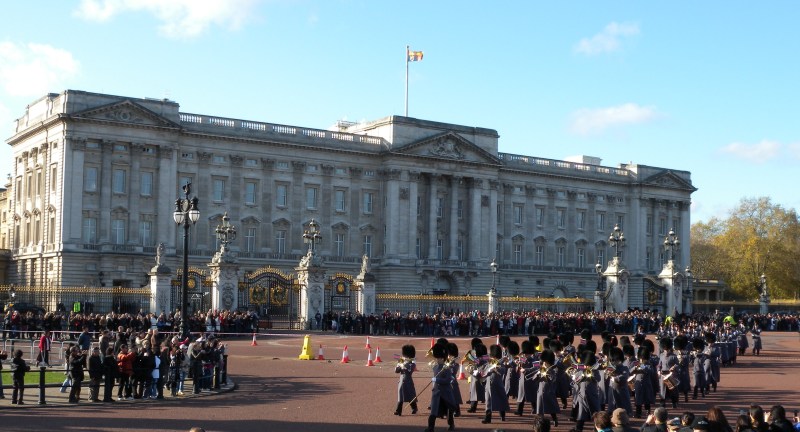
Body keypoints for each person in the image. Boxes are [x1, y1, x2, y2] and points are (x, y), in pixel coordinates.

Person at [425, 343, 456, 432]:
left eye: (438, 358)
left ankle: (451, 425)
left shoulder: (447, 368)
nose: (437, 359)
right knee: (433, 411)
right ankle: (431, 427)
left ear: (442, 358)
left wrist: (437, 380)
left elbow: (447, 380)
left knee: (449, 411)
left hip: (445, 393)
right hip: (437, 392)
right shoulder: (435, 367)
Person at [482, 344, 510, 424]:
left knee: (501, 399)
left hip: (497, 384)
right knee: (488, 401)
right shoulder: (490, 362)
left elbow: (503, 371)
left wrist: (497, 368)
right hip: (488, 384)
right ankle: (488, 418)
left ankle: (502, 415)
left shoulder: (500, 363)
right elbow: (485, 369)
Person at [393, 344, 418, 416]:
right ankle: (398, 411)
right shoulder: (402, 360)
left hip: (408, 380)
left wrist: (404, 365)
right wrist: (399, 366)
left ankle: (414, 408)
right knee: (400, 396)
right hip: (401, 380)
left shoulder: (412, 363)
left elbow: (410, 370)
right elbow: (396, 371)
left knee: (410, 395)